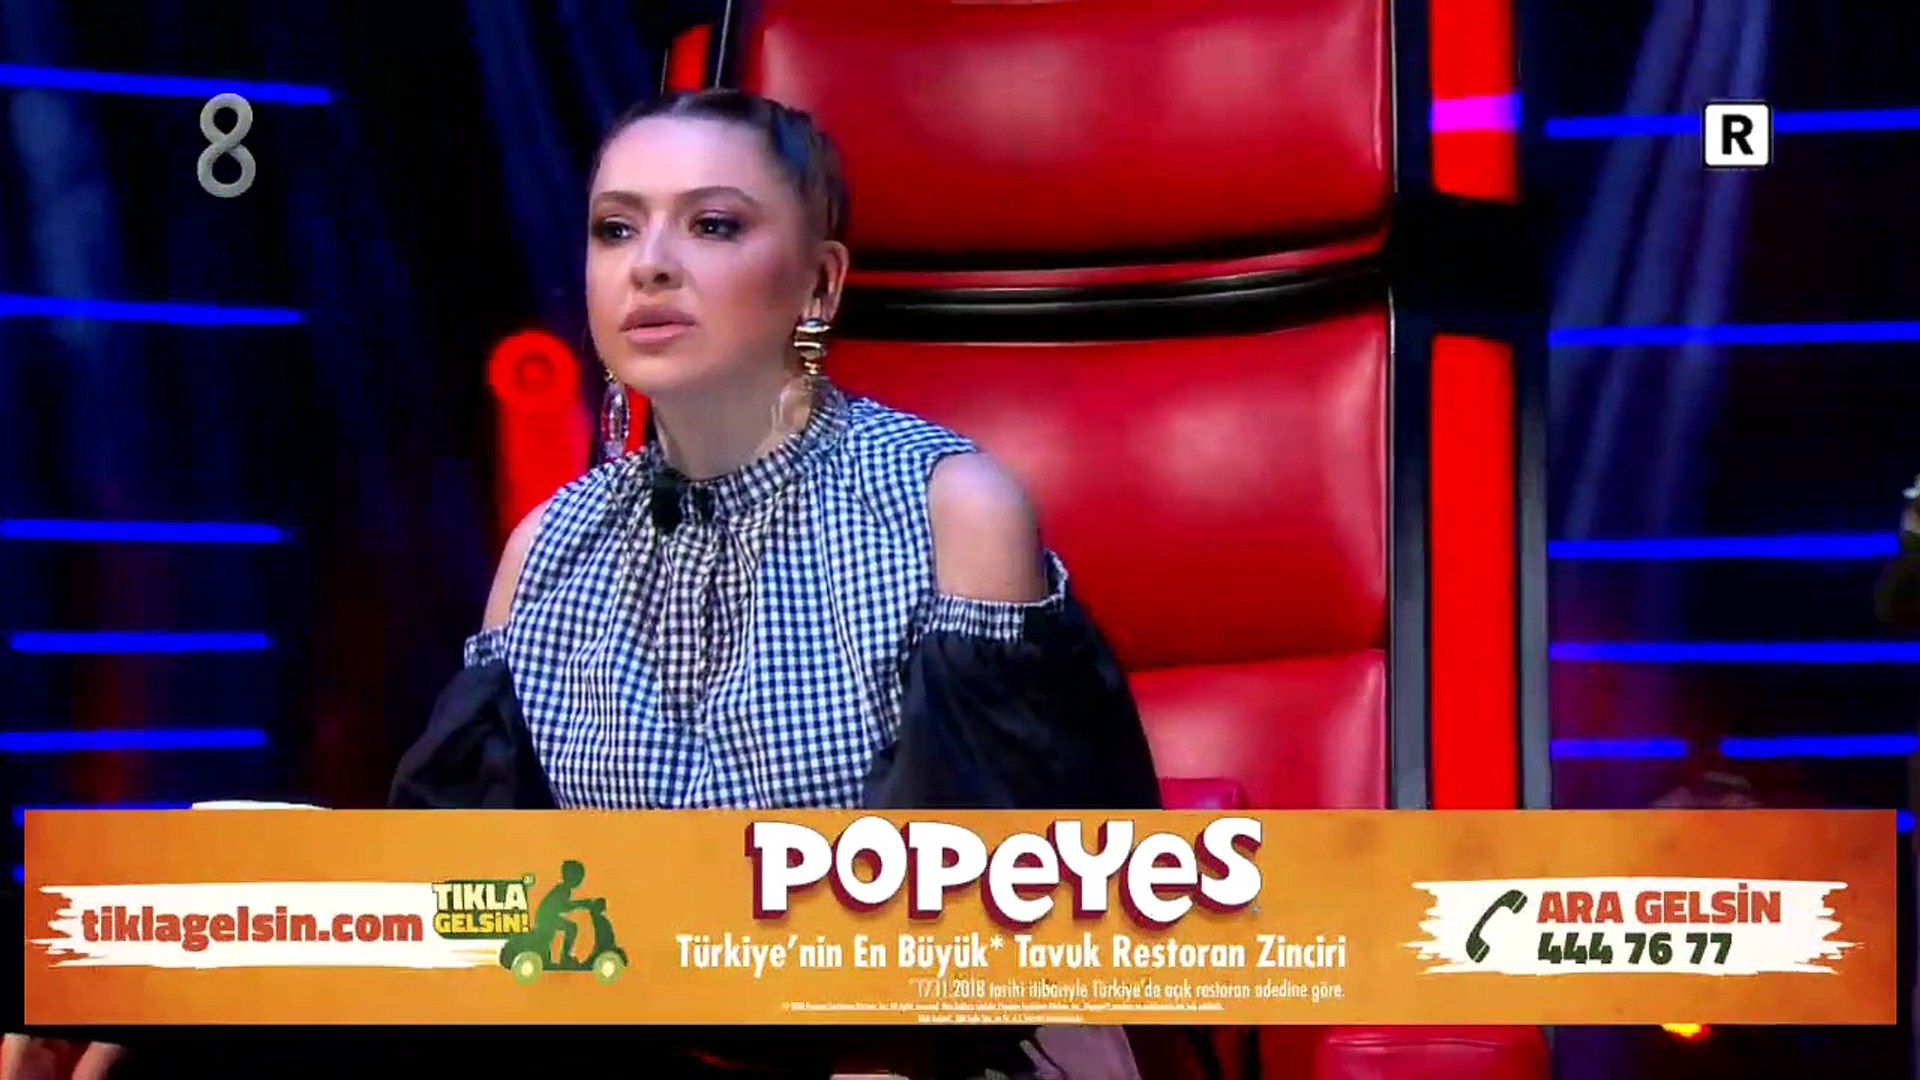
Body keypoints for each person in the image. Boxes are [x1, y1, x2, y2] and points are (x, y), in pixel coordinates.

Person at [9, 90, 1176, 1079]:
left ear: (818, 286)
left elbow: (992, 924)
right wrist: (211, 937)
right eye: (617, 229)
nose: (650, 263)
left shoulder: (950, 508)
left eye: (712, 225)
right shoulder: (548, 549)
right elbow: (468, 903)